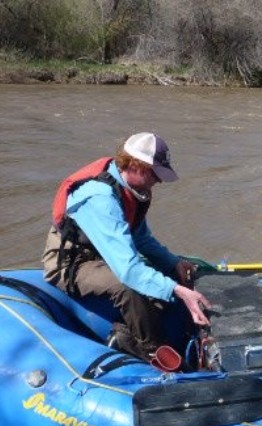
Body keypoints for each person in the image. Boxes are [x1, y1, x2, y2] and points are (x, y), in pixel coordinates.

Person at [43, 132, 211, 365]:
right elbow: (128, 270)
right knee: (126, 285)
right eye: (156, 174)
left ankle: (138, 331)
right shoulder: (101, 198)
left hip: (101, 254)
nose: (159, 181)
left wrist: (174, 263)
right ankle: (156, 353)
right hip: (72, 264)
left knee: (165, 274)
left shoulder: (130, 190)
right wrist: (178, 291)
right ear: (136, 166)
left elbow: (142, 239)